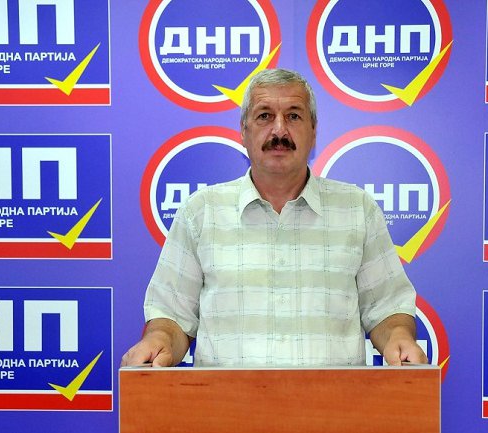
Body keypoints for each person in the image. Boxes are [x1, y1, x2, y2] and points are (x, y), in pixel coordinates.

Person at [121, 68, 427, 368]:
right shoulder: (200, 212)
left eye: (293, 116)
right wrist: (159, 339)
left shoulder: (357, 209)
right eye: (265, 116)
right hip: (225, 401)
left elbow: (388, 308)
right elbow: (172, 317)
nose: (279, 131)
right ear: (244, 131)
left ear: (313, 131)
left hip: (333, 402)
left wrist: (398, 336)